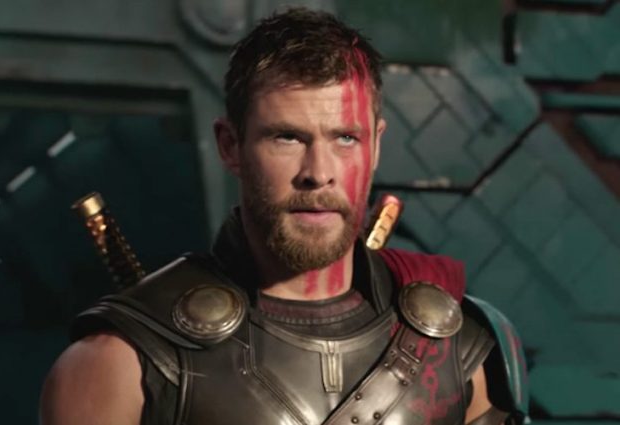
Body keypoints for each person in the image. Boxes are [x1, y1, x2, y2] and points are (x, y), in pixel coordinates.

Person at [40, 8, 528, 425]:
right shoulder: (120, 364)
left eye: (345, 138)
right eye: (287, 137)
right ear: (230, 146)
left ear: (376, 146)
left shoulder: (454, 347)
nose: (318, 174)